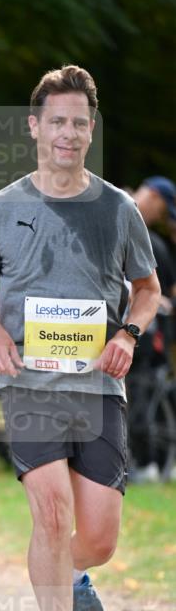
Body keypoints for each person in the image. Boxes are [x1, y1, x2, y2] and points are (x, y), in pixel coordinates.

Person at [0, 65, 160, 611]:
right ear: (34, 127)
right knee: (50, 517)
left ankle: (72, 575)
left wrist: (128, 332)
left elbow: (148, 289)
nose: (68, 133)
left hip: (98, 389)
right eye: (57, 122)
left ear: (90, 129)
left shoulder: (118, 208)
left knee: (95, 537)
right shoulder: (3, 207)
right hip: (29, 387)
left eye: (79, 122)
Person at [125, 176, 176, 482]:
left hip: (143, 333)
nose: (160, 218)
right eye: (163, 210)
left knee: (143, 392)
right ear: (154, 197)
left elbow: (163, 292)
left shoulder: (152, 242)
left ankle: (146, 461)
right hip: (123, 329)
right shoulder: (146, 240)